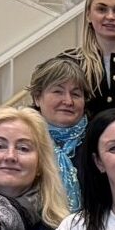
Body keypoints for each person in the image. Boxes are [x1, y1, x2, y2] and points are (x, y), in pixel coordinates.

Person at [27, 53, 91, 210]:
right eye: (58, 92)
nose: (68, 101)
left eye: (76, 94)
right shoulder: (23, 141)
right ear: (37, 98)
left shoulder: (98, 141)